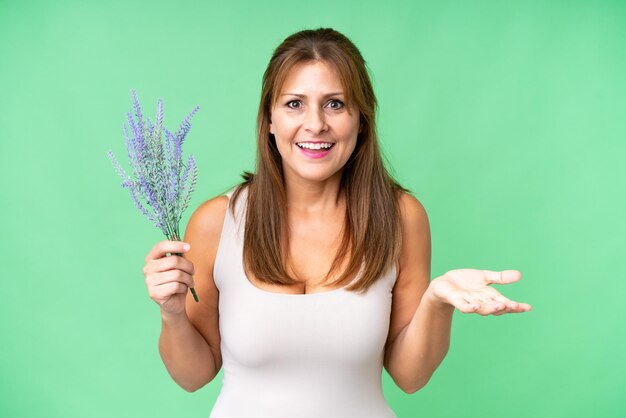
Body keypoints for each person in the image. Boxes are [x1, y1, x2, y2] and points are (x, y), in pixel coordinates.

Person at [142, 27, 532, 417]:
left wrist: (437, 301)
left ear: (361, 120)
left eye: (335, 104)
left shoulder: (401, 217)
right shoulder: (217, 222)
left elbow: (410, 377)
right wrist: (171, 313)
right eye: (295, 104)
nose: (315, 124)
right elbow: (192, 376)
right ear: (270, 120)